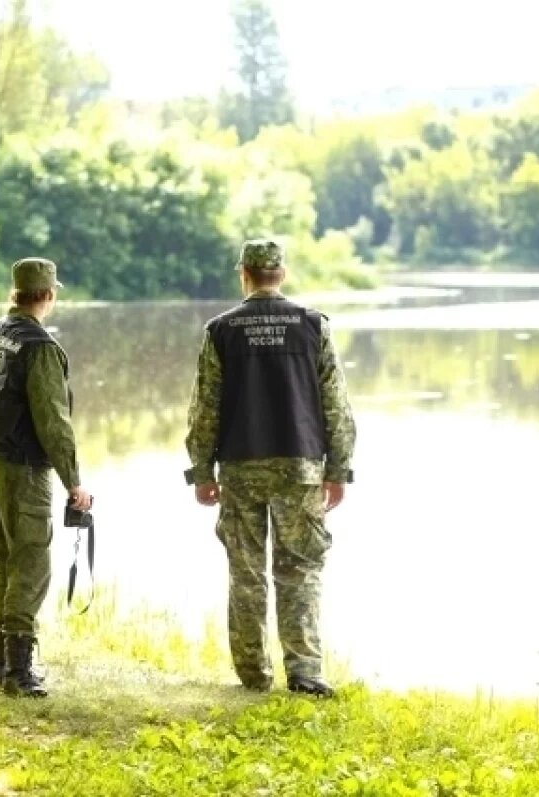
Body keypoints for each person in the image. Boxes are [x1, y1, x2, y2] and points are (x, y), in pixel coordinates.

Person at [184, 239, 356, 698]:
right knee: (298, 570)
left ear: (244, 273)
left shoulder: (221, 330)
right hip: (299, 469)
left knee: (246, 574)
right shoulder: (312, 325)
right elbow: (335, 405)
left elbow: (205, 408)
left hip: (239, 471)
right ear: (281, 273)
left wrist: (201, 471)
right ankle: (304, 673)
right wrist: (339, 468)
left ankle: (253, 675)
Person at [0, 257, 92, 699]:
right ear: (50, 295)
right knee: (31, 563)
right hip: (21, 468)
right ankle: (19, 672)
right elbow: (53, 422)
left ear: (16, 292)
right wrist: (74, 481)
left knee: (8, 560)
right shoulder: (39, 347)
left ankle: (1, 663)